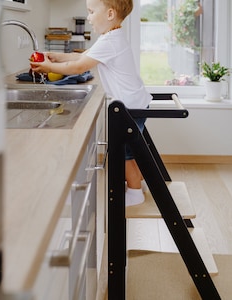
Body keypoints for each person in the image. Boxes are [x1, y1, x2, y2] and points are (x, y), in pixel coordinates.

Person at [31, 0, 152, 206]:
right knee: (129, 150)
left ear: (110, 14)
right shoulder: (111, 36)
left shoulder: (110, 41)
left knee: (124, 153)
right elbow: (80, 57)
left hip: (129, 108)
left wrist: (49, 66)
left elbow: (79, 67)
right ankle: (136, 183)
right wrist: (55, 57)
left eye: (91, 11)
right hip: (134, 104)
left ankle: (135, 193)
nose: (88, 17)